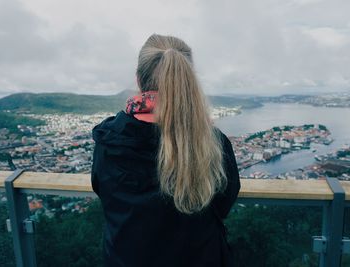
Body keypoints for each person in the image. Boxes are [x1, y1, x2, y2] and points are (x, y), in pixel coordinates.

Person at [91, 34, 241, 267]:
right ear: (189, 80)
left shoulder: (109, 141)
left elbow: (103, 192)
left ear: (139, 80)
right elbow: (223, 204)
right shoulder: (212, 143)